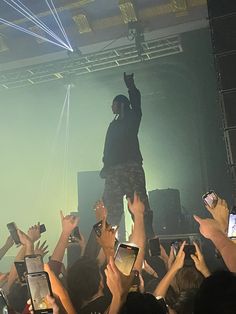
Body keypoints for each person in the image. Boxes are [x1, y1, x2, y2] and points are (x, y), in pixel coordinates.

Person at [100, 72, 154, 238]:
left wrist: (130, 87)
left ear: (120, 104)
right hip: (114, 171)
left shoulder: (131, 118)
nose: (111, 107)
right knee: (110, 209)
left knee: (138, 204)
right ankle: (107, 248)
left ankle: (150, 243)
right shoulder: (113, 125)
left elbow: (137, 105)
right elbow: (107, 147)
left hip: (131, 168)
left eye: (113, 104)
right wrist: (105, 166)